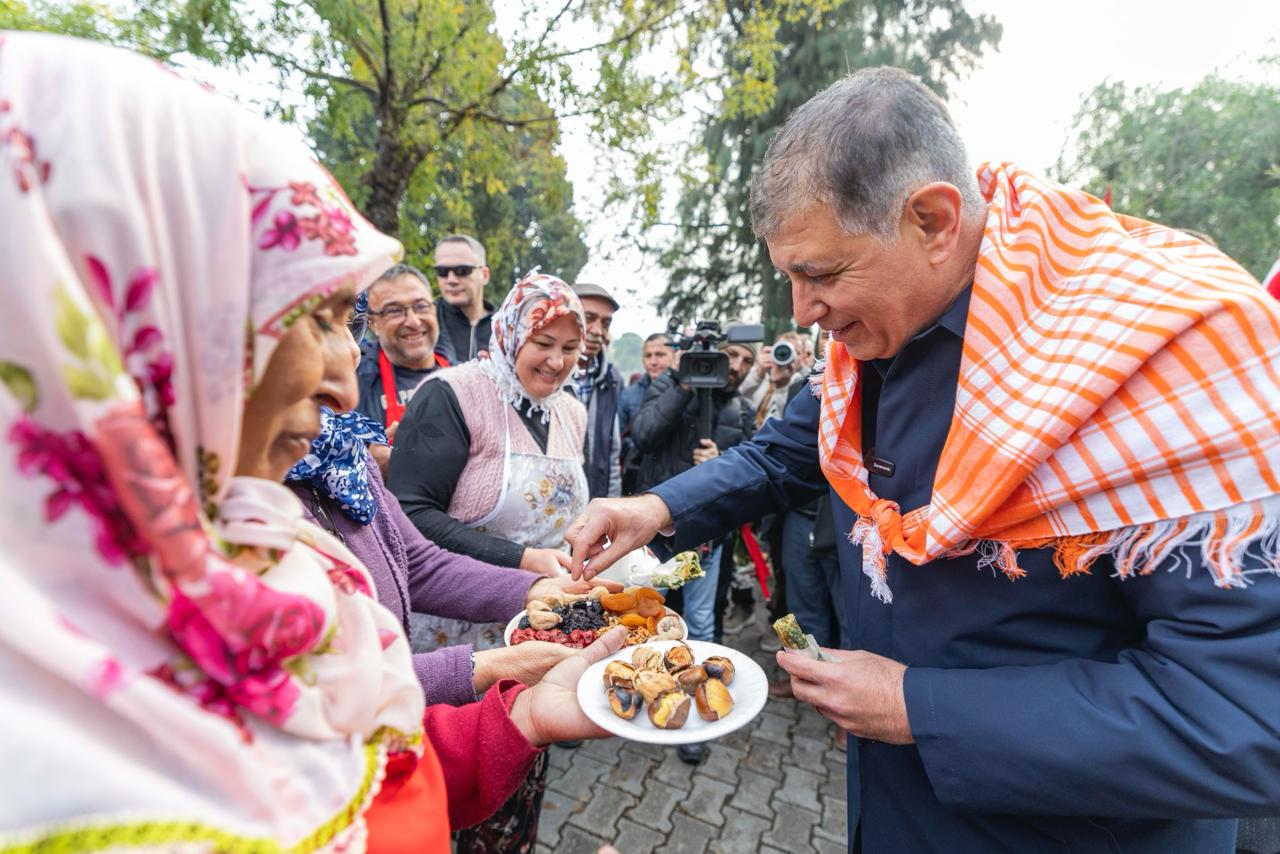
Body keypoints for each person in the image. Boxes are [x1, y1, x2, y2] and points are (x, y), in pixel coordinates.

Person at [566, 66, 1280, 853]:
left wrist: (918, 708)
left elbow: (1243, 717)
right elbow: (781, 455)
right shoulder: (873, 333)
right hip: (890, 808)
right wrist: (655, 509)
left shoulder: (1158, 352)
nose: (802, 312)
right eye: (790, 278)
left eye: (821, 275)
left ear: (934, 222)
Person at [0, 33, 626, 852]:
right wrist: (485, 664)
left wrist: (518, 705)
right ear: (151, 325)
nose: (344, 380)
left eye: (345, 323)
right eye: (319, 318)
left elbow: (366, 758)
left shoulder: (263, 529)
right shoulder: (57, 733)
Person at [387, 272, 589, 852]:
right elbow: (410, 515)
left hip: (538, 622)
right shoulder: (451, 394)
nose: (556, 362)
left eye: (570, 349)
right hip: (453, 634)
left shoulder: (573, 413)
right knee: (442, 789)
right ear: (510, 333)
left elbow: (569, 503)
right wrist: (524, 560)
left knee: (515, 776)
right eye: (543, 343)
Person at [286, 406, 620, 706]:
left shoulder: (343, 454)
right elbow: (316, 681)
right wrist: (486, 666)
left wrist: (535, 589)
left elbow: (417, 565)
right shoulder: (248, 505)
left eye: (352, 336)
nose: (350, 358)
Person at [626, 330, 755, 764]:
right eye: (727, 355)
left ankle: (701, 707)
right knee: (641, 617)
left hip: (708, 539)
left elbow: (756, 479)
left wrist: (722, 464)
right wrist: (682, 385)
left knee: (701, 622)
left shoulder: (741, 408)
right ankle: (632, 696)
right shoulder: (667, 383)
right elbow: (642, 436)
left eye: (743, 359)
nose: (732, 365)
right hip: (657, 536)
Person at [355, 263, 450, 474]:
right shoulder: (351, 380)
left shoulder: (464, 376)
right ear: (372, 323)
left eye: (421, 306)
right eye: (394, 311)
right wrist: (368, 466)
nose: (414, 322)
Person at [571, 282, 623, 499]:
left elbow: (612, 454)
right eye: (588, 318)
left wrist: (612, 509)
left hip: (595, 501)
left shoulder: (611, 380)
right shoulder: (543, 374)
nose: (597, 331)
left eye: (605, 323)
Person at [619, 332, 673, 494]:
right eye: (648, 356)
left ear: (675, 355)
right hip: (636, 480)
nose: (653, 362)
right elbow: (618, 437)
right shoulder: (629, 395)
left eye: (660, 355)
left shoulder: (685, 392)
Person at [433, 234, 496, 364]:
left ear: (484, 275)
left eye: (462, 270)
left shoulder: (504, 329)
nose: (451, 280)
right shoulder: (423, 324)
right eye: (442, 271)